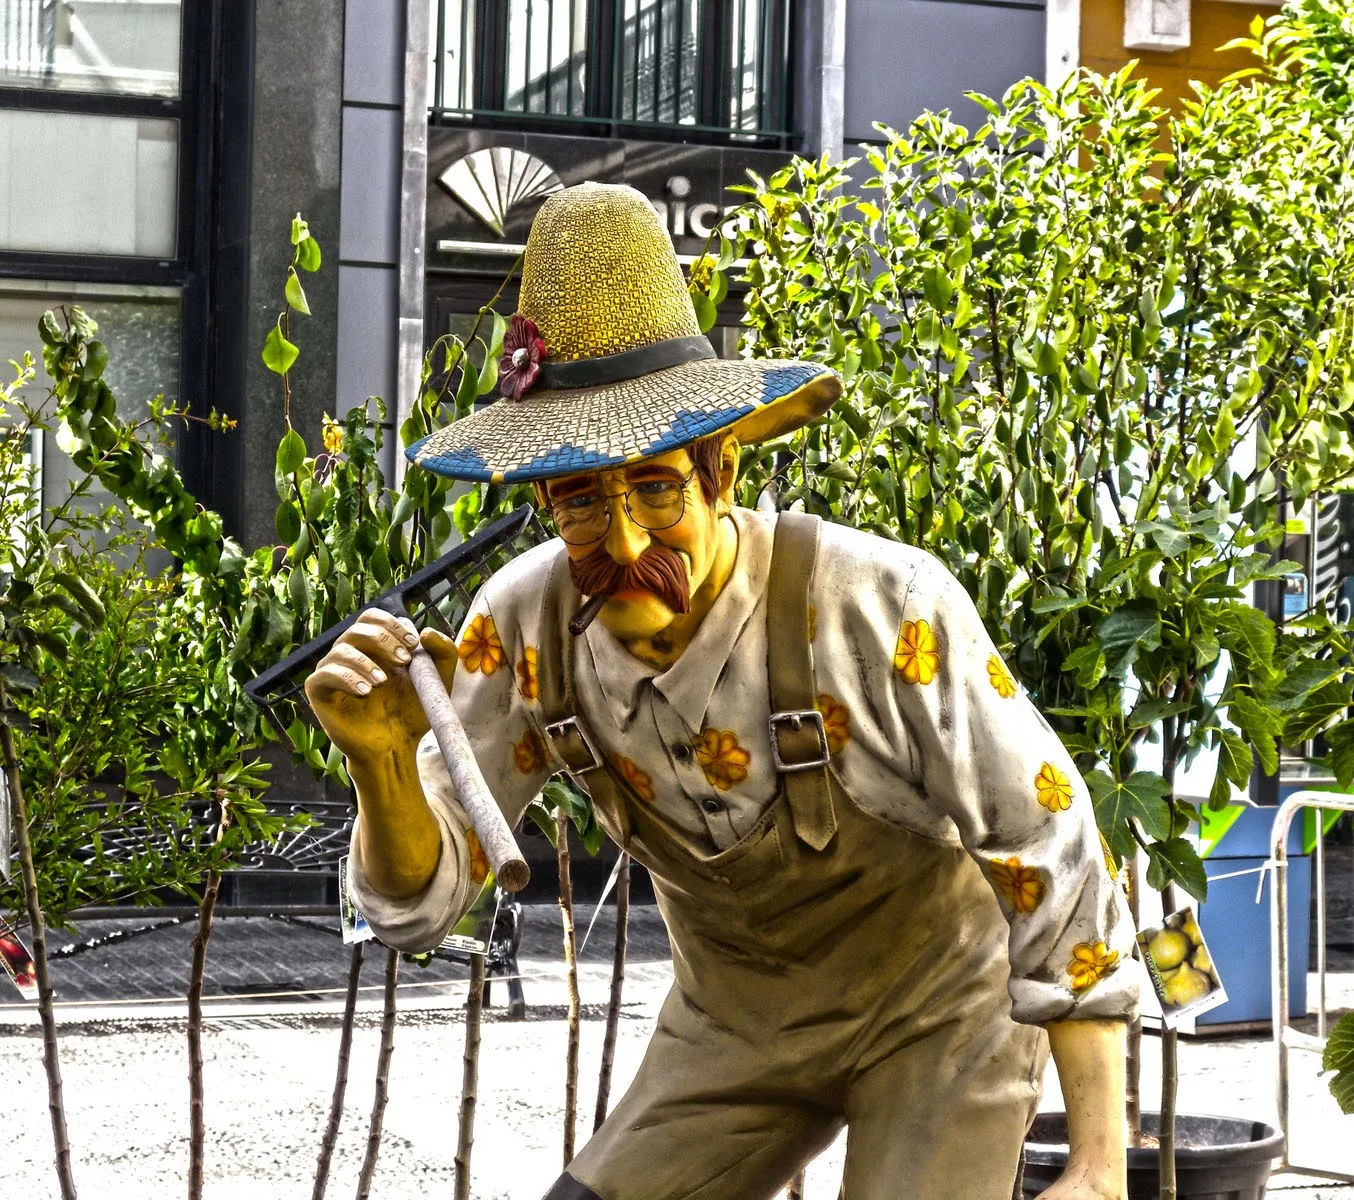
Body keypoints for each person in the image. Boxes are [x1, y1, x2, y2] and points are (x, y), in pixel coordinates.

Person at [308, 182, 1137, 1200]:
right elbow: (418, 912)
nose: (622, 545)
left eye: (656, 488)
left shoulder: (876, 603)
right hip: (733, 1025)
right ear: (543, 504)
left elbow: (1049, 840)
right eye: (579, 501)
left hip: (939, 1016)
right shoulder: (523, 628)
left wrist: (1098, 1169)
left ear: (721, 470)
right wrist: (382, 762)